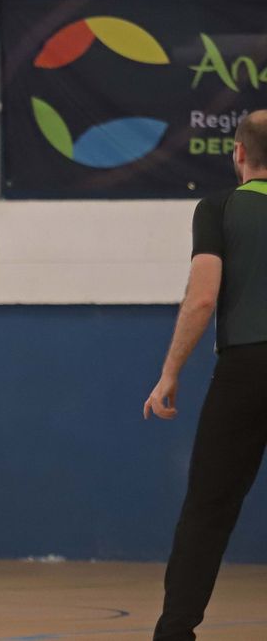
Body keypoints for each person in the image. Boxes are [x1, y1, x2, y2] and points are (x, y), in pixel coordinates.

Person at [146, 111, 267, 640]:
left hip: (245, 370)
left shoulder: (219, 208)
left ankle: (175, 631)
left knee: (208, 508)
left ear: (238, 154)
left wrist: (170, 371)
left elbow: (201, 297)